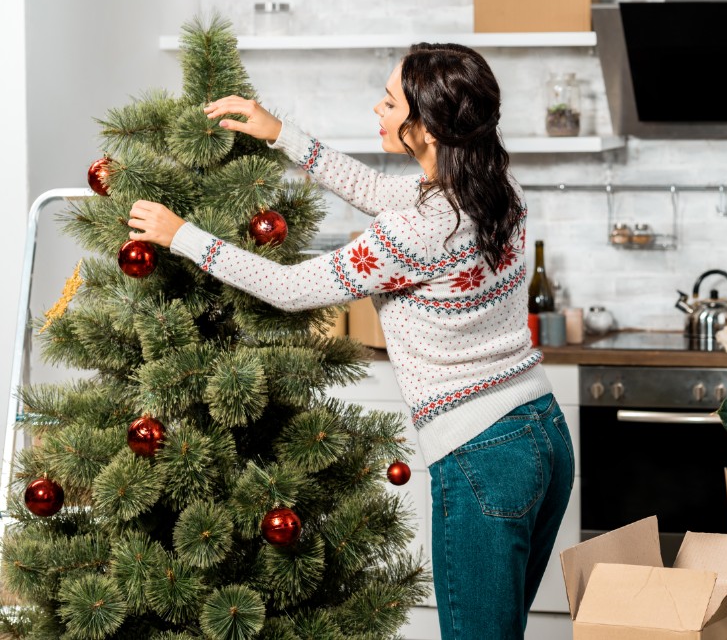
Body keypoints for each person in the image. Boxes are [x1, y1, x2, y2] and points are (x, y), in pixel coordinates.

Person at [127, 42, 574, 640]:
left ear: (428, 129)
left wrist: (182, 236)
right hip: (542, 432)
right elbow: (380, 193)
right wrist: (281, 133)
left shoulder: (418, 231)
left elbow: (288, 288)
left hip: (481, 455)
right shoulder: (492, 188)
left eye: (390, 104)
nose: (377, 110)